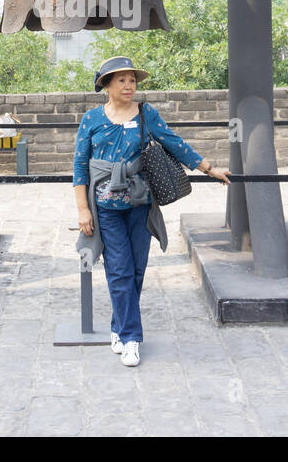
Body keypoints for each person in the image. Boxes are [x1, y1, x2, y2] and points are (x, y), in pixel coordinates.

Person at [73, 56, 230, 367]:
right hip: (105, 207)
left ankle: (119, 326)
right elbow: (79, 166)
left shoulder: (147, 114)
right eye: (121, 80)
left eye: (132, 80)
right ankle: (131, 338)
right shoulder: (91, 119)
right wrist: (82, 209)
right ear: (106, 85)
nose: (129, 86)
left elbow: (174, 143)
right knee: (119, 268)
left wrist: (208, 168)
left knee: (137, 270)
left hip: (140, 203)